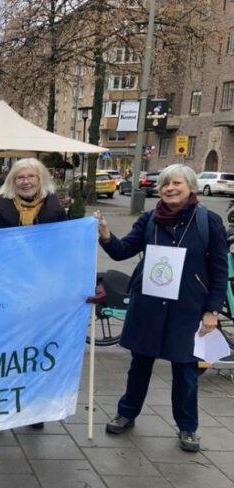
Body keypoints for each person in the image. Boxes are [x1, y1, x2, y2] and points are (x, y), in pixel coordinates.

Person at [95, 164, 227, 453]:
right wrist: (105, 234)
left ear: (190, 187)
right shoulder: (150, 219)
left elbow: (219, 269)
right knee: (139, 364)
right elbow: (122, 251)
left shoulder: (208, 221)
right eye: (165, 184)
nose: (169, 188)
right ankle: (126, 413)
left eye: (176, 183)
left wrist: (212, 311)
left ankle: (188, 427)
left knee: (186, 370)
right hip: (150, 304)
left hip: (188, 308)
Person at [0, 158, 67, 429]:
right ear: (13, 181)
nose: (26, 181)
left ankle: (34, 407)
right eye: (20, 177)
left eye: (31, 176)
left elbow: (66, 250)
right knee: (7, 349)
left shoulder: (55, 210)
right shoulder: (2, 209)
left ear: (41, 179)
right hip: (8, 290)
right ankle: (3, 405)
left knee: (37, 350)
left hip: (42, 292)